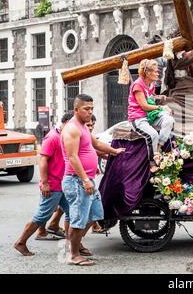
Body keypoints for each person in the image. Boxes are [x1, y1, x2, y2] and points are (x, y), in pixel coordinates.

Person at [62, 94, 125, 266]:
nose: (90, 112)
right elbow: (73, 157)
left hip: (86, 180)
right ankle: (73, 254)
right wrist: (85, 180)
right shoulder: (72, 129)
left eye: (92, 109)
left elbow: (96, 145)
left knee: (95, 214)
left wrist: (115, 151)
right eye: (86, 109)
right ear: (76, 110)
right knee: (78, 219)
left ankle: (74, 245)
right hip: (77, 181)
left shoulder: (82, 127)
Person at [13, 113, 73, 256]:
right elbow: (43, 161)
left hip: (63, 183)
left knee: (72, 212)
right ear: (65, 123)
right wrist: (45, 183)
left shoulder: (66, 137)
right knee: (41, 216)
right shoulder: (52, 138)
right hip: (53, 185)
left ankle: (72, 245)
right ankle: (20, 242)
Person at [128, 59, 174, 170]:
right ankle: (152, 163)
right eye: (156, 71)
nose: (158, 73)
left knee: (169, 120)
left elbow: (150, 98)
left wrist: (159, 99)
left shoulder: (151, 85)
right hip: (138, 118)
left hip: (150, 116)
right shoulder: (137, 85)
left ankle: (158, 147)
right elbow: (144, 106)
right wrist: (161, 107)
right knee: (153, 135)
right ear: (148, 73)